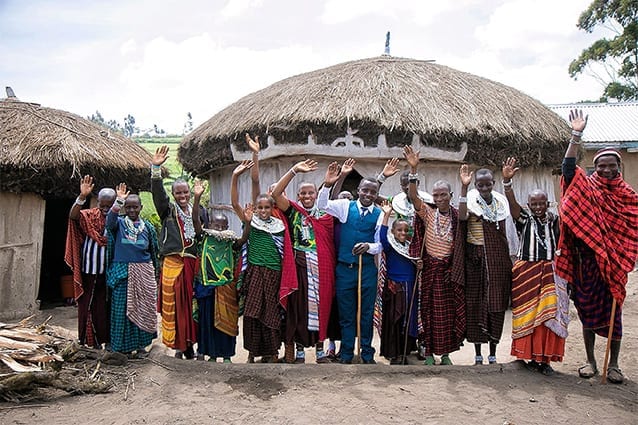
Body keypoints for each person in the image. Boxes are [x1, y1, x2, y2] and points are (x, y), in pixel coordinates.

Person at [556, 110, 638, 384]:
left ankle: (613, 364)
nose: (605, 169)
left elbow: (631, 232)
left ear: (618, 168)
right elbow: (568, 171)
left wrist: (621, 255)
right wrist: (575, 136)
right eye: (600, 165)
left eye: (610, 166)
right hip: (585, 262)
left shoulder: (628, 197)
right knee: (587, 311)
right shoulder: (585, 188)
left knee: (614, 314)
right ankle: (590, 360)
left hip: (612, 263)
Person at [502, 157, 568, 376]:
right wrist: (507, 183)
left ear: (547, 203)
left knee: (547, 318)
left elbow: (561, 243)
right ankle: (525, 355)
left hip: (549, 274)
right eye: (534, 204)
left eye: (542, 203)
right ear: (528, 205)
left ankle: (544, 360)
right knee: (526, 315)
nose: (538, 207)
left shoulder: (554, 220)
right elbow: (512, 205)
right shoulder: (523, 219)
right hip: (526, 273)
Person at [403, 146, 465, 365]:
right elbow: (412, 195)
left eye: (443, 195)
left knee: (448, 314)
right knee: (427, 312)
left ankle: (446, 354)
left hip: (448, 271)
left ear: (451, 196)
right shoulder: (428, 212)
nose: (439, 198)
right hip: (429, 270)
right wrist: (413, 170)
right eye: (436, 195)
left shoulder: (458, 216)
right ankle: (429, 353)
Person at [271, 159, 336, 364]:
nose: (307, 196)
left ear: (316, 195)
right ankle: (299, 352)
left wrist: (329, 182)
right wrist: (293, 171)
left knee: (322, 306)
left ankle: (319, 351)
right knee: (298, 308)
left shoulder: (326, 214)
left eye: (311, 193)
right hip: (299, 266)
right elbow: (275, 194)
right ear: (298, 197)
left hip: (322, 268)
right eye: (303, 194)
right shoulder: (293, 212)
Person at [317, 163, 383, 364]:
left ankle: (366, 353)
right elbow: (322, 205)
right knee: (346, 314)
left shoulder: (380, 213)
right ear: (358, 191)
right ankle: (346, 354)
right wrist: (328, 185)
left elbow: (382, 243)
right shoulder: (346, 207)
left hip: (367, 271)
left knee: (365, 314)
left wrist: (369, 247)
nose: (368, 194)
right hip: (345, 269)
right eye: (365, 190)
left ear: (377, 193)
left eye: (373, 192)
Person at [231, 160, 295, 363]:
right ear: (256, 208)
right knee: (252, 313)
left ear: (273, 207)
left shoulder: (280, 226)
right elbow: (235, 203)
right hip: (255, 273)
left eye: (267, 207)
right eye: (260, 207)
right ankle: (251, 353)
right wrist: (235, 177)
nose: (264, 210)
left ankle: (272, 353)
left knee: (272, 314)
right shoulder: (251, 221)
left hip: (274, 274)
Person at [151, 146, 207, 359]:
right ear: (173, 194)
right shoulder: (168, 210)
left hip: (193, 265)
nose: (182, 195)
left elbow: (203, 236)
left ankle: (192, 345)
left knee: (193, 305)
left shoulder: (199, 210)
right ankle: (180, 345)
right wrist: (156, 169)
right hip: (173, 265)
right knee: (175, 307)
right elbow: (157, 194)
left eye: (185, 192)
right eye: (178, 193)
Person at [458, 165, 512, 365]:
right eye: (480, 185)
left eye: (488, 184)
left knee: (496, 305)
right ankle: (478, 353)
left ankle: (493, 352)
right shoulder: (470, 200)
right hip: (475, 258)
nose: (484, 188)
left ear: (493, 183)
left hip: (496, 259)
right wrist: (464, 189)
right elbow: (462, 217)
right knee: (475, 304)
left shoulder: (500, 203)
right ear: (475, 185)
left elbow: (502, 235)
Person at [192, 180, 250, 363]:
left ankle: (225, 355)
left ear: (227, 227)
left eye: (223, 226)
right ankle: (209, 353)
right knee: (207, 323)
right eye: (216, 226)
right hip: (207, 288)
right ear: (210, 226)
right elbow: (195, 221)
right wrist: (197, 197)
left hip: (226, 289)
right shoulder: (204, 239)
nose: (219, 229)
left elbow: (244, 239)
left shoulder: (230, 243)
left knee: (227, 324)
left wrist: (247, 223)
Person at [105, 184, 159, 357]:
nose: (132, 210)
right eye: (128, 207)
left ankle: (142, 345)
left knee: (143, 309)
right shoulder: (119, 224)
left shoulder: (148, 227)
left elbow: (153, 251)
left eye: (135, 207)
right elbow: (109, 222)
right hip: (122, 272)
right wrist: (118, 201)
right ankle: (121, 348)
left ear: (141, 208)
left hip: (143, 272)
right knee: (121, 310)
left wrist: (154, 273)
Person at [65, 175, 115, 349]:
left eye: (110, 205)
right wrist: (82, 197)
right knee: (86, 307)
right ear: (97, 201)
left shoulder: (117, 220)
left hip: (108, 273)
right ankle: (85, 340)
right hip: (88, 271)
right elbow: (73, 216)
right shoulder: (88, 216)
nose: (106, 209)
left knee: (104, 309)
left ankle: (104, 340)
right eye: (103, 205)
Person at [378, 200, 422, 364]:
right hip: (394, 287)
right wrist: (387, 215)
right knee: (394, 320)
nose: (403, 233)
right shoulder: (390, 245)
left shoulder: (411, 248)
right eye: (399, 230)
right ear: (393, 231)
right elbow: (382, 236)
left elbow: (417, 264)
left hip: (410, 287)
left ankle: (405, 352)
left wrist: (419, 264)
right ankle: (393, 353)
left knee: (408, 321)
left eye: (405, 230)